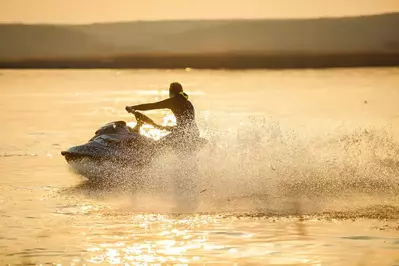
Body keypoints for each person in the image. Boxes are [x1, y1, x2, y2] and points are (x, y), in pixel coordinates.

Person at [125, 82, 200, 151]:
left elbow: (152, 106)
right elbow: (185, 125)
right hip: (194, 132)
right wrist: (165, 127)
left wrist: (133, 107)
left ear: (171, 92)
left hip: (183, 134)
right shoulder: (187, 102)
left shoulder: (173, 101)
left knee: (156, 147)